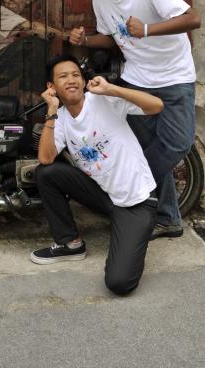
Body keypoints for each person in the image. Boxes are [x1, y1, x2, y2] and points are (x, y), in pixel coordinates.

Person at [69, 0, 201, 240]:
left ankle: (128, 187)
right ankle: (168, 219)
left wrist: (147, 29)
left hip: (174, 77)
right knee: (145, 147)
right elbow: (114, 38)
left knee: (178, 144)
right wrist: (84, 40)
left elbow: (193, 19)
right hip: (137, 80)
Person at [32, 55, 163, 295]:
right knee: (47, 173)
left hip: (136, 202)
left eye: (75, 75)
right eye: (63, 76)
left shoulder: (103, 100)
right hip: (104, 196)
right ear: (51, 88)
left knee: (119, 283)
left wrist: (112, 89)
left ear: (83, 81)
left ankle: (133, 234)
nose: (71, 80)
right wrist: (51, 111)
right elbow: (46, 158)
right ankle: (70, 243)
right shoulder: (59, 118)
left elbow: (156, 106)